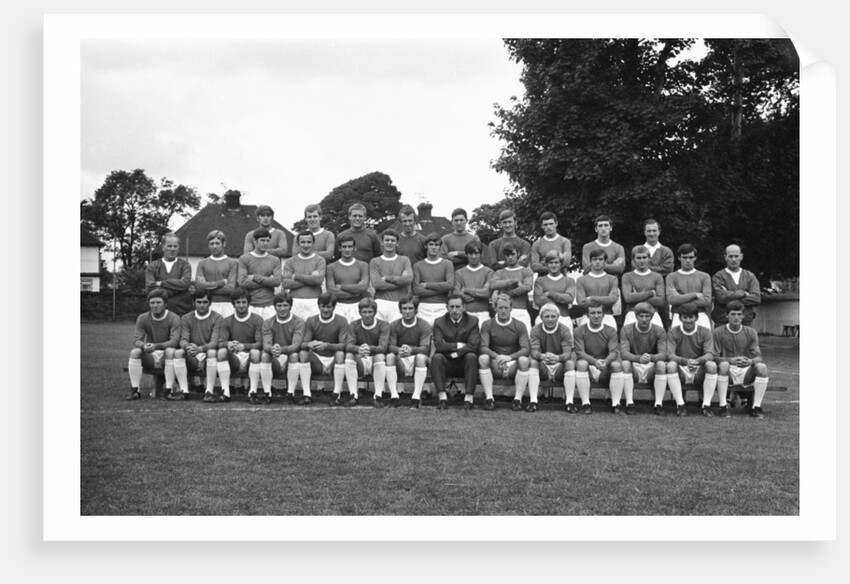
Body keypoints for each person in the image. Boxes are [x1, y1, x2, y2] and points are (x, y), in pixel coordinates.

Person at [712, 300, 770, 419]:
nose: (736, 317)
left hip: (745, 372)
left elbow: (758, 357)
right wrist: (731, 360)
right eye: (733, 314)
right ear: (726, 315)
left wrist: (750, 361)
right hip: (727, 371)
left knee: (762, 367)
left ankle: (756, 407)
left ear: (743, 316)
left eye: (739, 314)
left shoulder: (751, 332)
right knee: (723, 365)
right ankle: (723, 406)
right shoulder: (717, 332)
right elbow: (714, 357)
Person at [478, 294, 532, 412]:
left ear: (511, 308)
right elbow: (483, 347)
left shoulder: (519, 325)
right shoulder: (487, 324)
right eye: (500, 307)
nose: (503, 311)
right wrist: (497, 356)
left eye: (506, 308)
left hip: (512, 364)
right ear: (495, 308)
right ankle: (489, 398)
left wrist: (510, 357)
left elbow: (526, 349)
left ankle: (517, 400)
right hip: (495, 363)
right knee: (483, 358)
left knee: (524, 360)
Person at [126, 288, 181, 400]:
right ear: (149, 304)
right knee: (135, 352)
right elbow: (137, 340)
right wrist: (143, 345)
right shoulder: (142, 318)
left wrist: (156, 346)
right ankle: (135, 391)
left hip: (167, 355)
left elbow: (174, 341)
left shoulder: (174, 318)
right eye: (152, 303)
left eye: (158, 302)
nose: (155, 305)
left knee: (170, 351)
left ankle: (168, 390)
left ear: (165, 304)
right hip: (151, 355)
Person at [666, 303, 718, 417]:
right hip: (681, 368)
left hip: (699, 368)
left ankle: (706, 405)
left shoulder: (705, 331)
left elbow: (710, 354)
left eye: (691, 317)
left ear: (697, 318)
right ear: (680, 318)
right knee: (670, 365)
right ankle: (680, 405)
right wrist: (686, 361)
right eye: (685, 317)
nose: (688, 320)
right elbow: (669, 354)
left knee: (712, 365)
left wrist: (698, 361)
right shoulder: (673, 332)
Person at [619, 302, 671, 416]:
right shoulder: (626, 330)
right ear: (636, 316)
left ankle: (658, 404)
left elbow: (663, 354)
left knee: (661, 364)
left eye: (647, 316)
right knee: (625, 363)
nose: (644, 319)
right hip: (634, 366)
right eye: (641, 316)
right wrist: (638, 358)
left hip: (651, 366)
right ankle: (629, 403)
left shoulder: (660, 331)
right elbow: (624, 353)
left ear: (651, 317)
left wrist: (651, 357)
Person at [431, 293, 481, 410]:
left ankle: (469, 399)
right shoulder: (439, 322)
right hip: (446, 363)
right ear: (447, 307)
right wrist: (459, 345)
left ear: (464, 307)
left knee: (471, 356)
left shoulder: (473, 321)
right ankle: (442, 398)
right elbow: (439, 345)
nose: (454, 310)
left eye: (458, 307)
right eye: (451, 307)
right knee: (437, 358)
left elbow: (473, 345)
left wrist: (455, 352)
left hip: (465, 362)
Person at [171, 289, 223, 401]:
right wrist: (188, 347)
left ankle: (209, 391)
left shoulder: (217, 318)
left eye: (205, 302)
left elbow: (215, 342)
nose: (202, 305)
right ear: (193, 303)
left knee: (212, 352)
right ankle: (184, 391)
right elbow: (183, 339)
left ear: (210, 303)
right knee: (179, 352)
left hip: (208, 354)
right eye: (199, 302)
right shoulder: (186, 318)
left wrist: (200, 349)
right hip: (192, 354)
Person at [573, 301, 624, 414]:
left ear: (603, 314)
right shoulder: (579, 331)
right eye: (593, 313)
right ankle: (586, 404)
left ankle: (616, 404)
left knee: (617, 365)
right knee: (581, 363)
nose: (596, 316)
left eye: (599, 313)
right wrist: (594, 361)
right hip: (588, 367)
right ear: (587, 315)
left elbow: (613, 352)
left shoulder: (611, 331)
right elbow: (580, 353)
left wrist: (606, 361)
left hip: (604, 368)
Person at [300, 293, 350, 406]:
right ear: (318, 306)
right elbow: (303, 344)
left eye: (329, 307)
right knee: (303, 353)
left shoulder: (341, 321)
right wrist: (309, 344)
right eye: (323, 306)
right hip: (317, 359)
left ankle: (336, 394)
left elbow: (343, 345)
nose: (325, 310)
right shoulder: (311, 320)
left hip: (333, 359)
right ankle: (307, 394)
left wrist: (327, 346)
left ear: (334, 307)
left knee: (340, 354)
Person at [215, 288, 263, 402]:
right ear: (233, 304)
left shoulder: (257, 319)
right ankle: (225, 392)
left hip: (250, 357)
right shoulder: (227, 321)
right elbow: (220, 343)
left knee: (256, 353)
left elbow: (260, 344)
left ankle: (252, 393)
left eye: (244, 302)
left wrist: (244, 346)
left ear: (248, 303)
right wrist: (228, 344)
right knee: (221, 352)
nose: (241, 305)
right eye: (238, 302)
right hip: (234, 358)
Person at [387, 295, 433, 409]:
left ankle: (416, 398)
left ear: (416, 310)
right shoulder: (394, 325)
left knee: (421, 357)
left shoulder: (424, 325)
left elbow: (425, 348)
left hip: (417, 360)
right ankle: (394, 397)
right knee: (390, 357)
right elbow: (390, 346)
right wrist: (399, 350)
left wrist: (411, 350)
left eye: (410, 308)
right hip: (401, 359)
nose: (407, 311)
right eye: (404, 308)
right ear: (400, 310)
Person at [260, 292, 305, 405]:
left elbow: (296, 345)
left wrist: (282, 350)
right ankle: (267, 393)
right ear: (274, 306)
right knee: (265, 355)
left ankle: (290, 394)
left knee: (294, 355)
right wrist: (272, 349)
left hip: (289, 357)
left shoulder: (299, 322)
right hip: (274, 357)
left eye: (285, 305)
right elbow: (266, 344)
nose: (282, 309)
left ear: (290, 306)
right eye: (279, 305)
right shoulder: (268, 322)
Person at [529, 303, 576, 413]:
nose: (550, 319)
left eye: (553, 316)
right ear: (541, 317)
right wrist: (542, 356)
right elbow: (534, 352)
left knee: (570, 363)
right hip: (543, 364)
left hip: (560, 365)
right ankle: (533, 401)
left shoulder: (564, 330)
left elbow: (567, 353)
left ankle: (569, 402)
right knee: (533, 362)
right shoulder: (535, 330)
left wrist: (558, 358)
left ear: (558, 317)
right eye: (547, 316)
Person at [345, 298, 390, 408]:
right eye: (364, 312)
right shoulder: (354, 325)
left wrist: (369, 348)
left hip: (375, 360)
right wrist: (359, 349)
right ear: (359, 312)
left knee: (380, 356)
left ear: (375, 312)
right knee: (349, 355)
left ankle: (378, 396)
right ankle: (353, 395)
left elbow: (383, 347)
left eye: (370, 312)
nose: (367, 315)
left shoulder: (383, 325)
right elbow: (348, 345)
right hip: (360, 360)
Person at [581, 215, 626, 322]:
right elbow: (587, 269)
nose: (603, 228)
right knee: (592, 319)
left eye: (606, 225)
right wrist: (611, 265)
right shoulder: (587, 247)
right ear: (596, 229)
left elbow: (620, 269)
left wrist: (597, 265)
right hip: (592, 287)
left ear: (611, 228)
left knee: (612, 321)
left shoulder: (618, 248)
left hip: (611, 288)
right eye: (600, 226)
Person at [711, 244, 762, 327]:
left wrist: (729, 295)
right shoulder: (718, 277)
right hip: (723, 323)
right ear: (725, 257)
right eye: (730, 256)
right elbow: (722, 298)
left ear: (741, 256)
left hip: (745, 323)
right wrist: (743, 293)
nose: (733, 259)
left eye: (736, 256)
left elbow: (756, 298)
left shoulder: (750, 276)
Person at [237, 227, 282, 320]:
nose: (265, 243)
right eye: (262, 240)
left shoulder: (275, 260)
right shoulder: (244, 259)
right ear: (255, 241)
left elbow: (277, 282)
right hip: (250, 305)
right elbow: (242, 282)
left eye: (268, 241)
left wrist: (255, 277)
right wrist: (268, 281)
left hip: (270, 306)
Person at [370, 229, 413, 324]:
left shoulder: (404, 260)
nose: (390, 243)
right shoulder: (375, 261)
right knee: (381, 331)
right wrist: (400, 282)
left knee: (396, 332)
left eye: (393, 240)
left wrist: (387, 278)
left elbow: (408, 279)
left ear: (397, 243)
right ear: (382, 242)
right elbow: (376, 284)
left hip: (400, 302)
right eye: (387, 240)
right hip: (380, 303)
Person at [489, 242, 534, 332]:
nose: (510, 257)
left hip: (521, 310)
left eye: (512, 254)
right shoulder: (499, 272)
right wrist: (514, 281)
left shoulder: (526, 271)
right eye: (507, 255)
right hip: (503, 311)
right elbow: (493, 285)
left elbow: (527, 287)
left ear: (518, 253)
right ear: (504, 256)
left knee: (525, 338)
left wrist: (505, 293)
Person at [282, 230, 326, 322]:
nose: (306, 245)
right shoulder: (290, 261)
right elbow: (285, 283)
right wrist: (310, 279)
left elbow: (318, 281)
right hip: (294, 302)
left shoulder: (320, 260)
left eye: (309, 242)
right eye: (303, 242)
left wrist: (296, 276)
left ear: (313, 243)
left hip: (315, 302)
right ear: (298, 243)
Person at [666, 243, 712, 330]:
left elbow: (707, 300)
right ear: (679, 258)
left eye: (691, 257)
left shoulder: (704, 276)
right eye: (684, 257)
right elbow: (671, 300)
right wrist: (695, 295)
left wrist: (680, 298)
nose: (688, 260)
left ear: (695, 258)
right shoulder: (671, 277)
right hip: (678, 316)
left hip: (700, 315)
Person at [412, 233, 455, 326]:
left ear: (440, 247)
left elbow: (450, 285)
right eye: (431, 244)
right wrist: (441, 290)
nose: (434, 247)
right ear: (426, 246)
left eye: (436, 245)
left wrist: (427, 285)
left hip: (442, 306)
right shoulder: (417, 265)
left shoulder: (447, 264)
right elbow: (416, 290)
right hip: (423, 306)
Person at [325, 233, 370, 323]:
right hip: (338, 306)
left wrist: (342, 287)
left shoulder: (363, 265)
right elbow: (332, 291)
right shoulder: (331, 267)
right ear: (339, 248)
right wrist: (356, 291)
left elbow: (363, 287)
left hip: (358, 306)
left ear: (354, 248)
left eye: (350, 247)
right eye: (344, 247)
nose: (347, 250)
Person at [145, 232, 193, 316]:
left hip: (181, 312)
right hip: (159, 313)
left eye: (175, 246)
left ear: (178, 248)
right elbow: (150, 287)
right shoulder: (153, 266)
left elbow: (185, 283)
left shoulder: (185, 265)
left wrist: (161, 284)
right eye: (169, 246)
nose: (172, 249)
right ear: (163, 247)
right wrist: (177, 288)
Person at [195, 230, 239, 319]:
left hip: (227, 305)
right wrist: (221, 283)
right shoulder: (202, 263)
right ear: (208, 245)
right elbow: (199, 287)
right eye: (212, 244)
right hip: (207, 305)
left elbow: (230, 289)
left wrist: (207, 288)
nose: (214, 246)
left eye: (217, 243)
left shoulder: (233, 263)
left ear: (224, 244)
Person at [621, 245, 665, 328]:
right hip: (632, 313)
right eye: (638, 258)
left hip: (653, 313)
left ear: (649, 258)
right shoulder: (627, 276)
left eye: (644, 257)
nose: (642, 261)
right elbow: (628, 298)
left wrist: (636, 296)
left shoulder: (657, 277)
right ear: (633, 260)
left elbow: (660, 301)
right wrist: (650, 293)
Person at [575, 248, 619, 329]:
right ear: (590, 261)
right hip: (587, 317)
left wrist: (592, 298)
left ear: (605, 261)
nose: (597, 262)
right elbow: (581, 301)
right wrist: (605, 299)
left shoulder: (612, 279)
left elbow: (613, 299)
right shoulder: (581, 280)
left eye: (600, 259)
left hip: (607, 316)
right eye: (594, 259)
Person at [453, 240, 494, 327]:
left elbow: (487, 293)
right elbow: (457, 295)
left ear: (481, 254)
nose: (473, 256)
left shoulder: (489, 272)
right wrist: (479, 295)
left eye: (476, 253)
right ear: (466, 255)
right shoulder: (459, 273)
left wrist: (466, 290)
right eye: (470, 253)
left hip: (483, 314)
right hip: (464, 314)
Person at [532, 250, 576, 331]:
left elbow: (569, 298)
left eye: (556, 262)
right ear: (546, 264)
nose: (553, 265)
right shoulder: (540, 281)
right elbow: (538, 300)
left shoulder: (569, 281)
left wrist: (550, 293)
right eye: (550, 263)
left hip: (563, 318)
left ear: (561, 264)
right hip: (544, 318)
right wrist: (561, 298)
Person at [530, 211, 572, 276]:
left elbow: (566, 262)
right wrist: (558, 261)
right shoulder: (536, 244)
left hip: (561, 280)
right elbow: (534, 266)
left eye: (551, 224)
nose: (549, 227)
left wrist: (543, 262)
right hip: (543, 281)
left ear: (556, 224)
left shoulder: (565, 241)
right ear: (542, 226)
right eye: (545, 225)